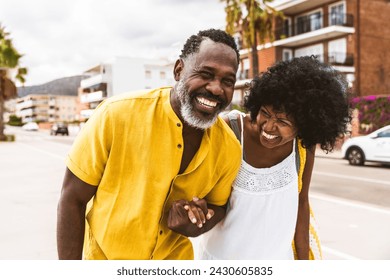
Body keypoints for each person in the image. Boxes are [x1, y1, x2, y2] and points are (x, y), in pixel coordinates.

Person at [56, 28, 242, 260]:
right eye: (205, 73)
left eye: (227, 81)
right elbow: (72, 198)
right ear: (178, 70)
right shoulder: (115, 115)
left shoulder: (230, 148)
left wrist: (197, 224)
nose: (216, 88)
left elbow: (218, 206)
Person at [195, 56, 351, 260]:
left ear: (305, 124)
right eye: (265, 113)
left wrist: (304, 263)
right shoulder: (230, 130)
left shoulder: (304, 146)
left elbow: (301, 204)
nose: (268, 127)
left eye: (282, 121)